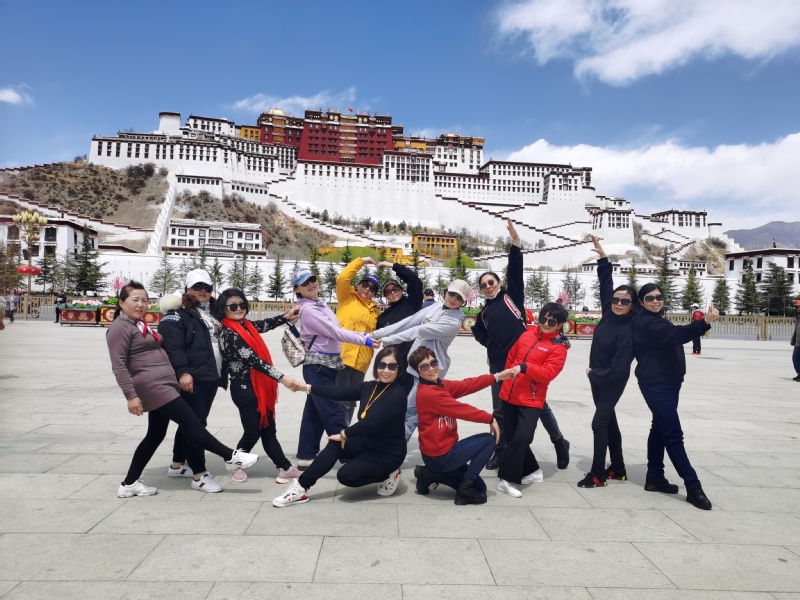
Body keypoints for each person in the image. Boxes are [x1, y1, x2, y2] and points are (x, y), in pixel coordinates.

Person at [106, 281, 259, 497]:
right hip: (153, 386)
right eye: (135, 300)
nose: (141, 304)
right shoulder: (119, 328)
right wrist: (131, 396)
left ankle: (130, 483)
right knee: (192, 423)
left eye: (144, 300)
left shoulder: (137, 324)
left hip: (163, 383)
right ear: (121, 302)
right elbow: (119, 365)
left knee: (155, 435)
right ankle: (229, 457)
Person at [471, 218, 571, 471]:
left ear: (498, 283)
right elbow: (478, 332)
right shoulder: (484, 312)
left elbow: (515, 273)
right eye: (483, 285)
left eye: (491, 282)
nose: (487, 287)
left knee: (539, 406)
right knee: (500, 408)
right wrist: (491, 344)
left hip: (525, 363)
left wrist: (515, 246)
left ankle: (559, 442)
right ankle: (501, 450)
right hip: (499, 365)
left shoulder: (510, 298)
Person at [273, 346, 410, 507]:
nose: (386, 370)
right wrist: (308, 388)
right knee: (336, 444)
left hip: (388, 452)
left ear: (399, 369)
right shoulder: (370, 387)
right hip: (367, 442)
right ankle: (301, 487)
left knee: (346, 476)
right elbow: (339, 392)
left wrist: (345, 434)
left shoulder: (397, 395)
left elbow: (371, 422)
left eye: (392, 366)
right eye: (382, 365)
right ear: (376, 366)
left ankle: (389, 473)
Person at [633, 283, 719, 510]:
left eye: (658, 297)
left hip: (670, 382)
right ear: (641, 302)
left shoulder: (656, 319)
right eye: (649, 298)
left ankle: (654, 477)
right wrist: (705, 322)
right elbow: (675, 335)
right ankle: (693, 486)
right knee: (673, 434)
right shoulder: (645, 322)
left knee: (659, 428)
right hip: (656, 384)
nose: (655, 301)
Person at [214, 287, 304, 483]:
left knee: (268, 428)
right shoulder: (228, 334)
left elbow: (264, 324)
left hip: (259, 387)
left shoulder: (246, 325)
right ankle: (235, 464)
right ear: (223, 309)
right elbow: (254, 360)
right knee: (253, 431)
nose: (239, 308)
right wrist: (282, 378)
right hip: (244, 389)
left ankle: (284, 468)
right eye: (233, 306)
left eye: (242, 304)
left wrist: (285, 317)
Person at [293, 267, 378, 468]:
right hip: (318, 367)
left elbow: (337, 329)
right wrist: (364, 339)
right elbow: (336, 332)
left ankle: (306, 455)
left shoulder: (319, 305)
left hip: (328, 365)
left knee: (314, 412)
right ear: (297, 289)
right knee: (334, 412)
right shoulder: (309, 310)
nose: (310, 284)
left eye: (312, 279)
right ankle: (350, 456)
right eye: (304, 283)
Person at [410, 346, 516, 505]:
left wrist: (497, 377)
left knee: (480, 488)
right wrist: (490, 418)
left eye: (433, 363)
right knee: (489, 441)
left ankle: (429, 473)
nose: (431, 368)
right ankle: (464, 490)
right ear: (418, 371)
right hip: (440, 456)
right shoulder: (429, 393)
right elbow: (462, 410)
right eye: (424, 367)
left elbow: (467, 385)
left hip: (441, 454)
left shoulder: (439, 385)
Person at [372, 279, 469, 441]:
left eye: (459, 298)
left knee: (411, 411)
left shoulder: (454, 321)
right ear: (446, 292)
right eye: (452, 293)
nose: (453, 299)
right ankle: (391, 443)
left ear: (463, 302)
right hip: (415, 365)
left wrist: (386, 340)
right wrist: (377, 334)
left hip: (429, 370)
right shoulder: (435, 307)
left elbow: (418, 330)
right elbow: (409, 322)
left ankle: (394, 449)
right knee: (406, 407)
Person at [158, 269, 227, 492]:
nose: (203, 291)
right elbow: (173, 347)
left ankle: (177, 465)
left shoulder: (209, 312)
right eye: (198, 287)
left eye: (207, 287)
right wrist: (183, 372)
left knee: (190, 422)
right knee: (196, 425)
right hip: (193, 377)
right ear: (187, 289)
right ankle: (199, 475)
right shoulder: (177, 314)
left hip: (210, 376)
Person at [579, 236, 637, 488]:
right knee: (609, 421)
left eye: (625, 301)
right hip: (598, 378)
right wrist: (604, 259)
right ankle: (619, 467)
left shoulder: (630, 329)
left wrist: (594, 374)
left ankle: (597, 474)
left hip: (611, 380)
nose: (618, 304)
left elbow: (620, 368)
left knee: (599, 423)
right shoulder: (608, 312)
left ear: (632, 305)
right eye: (616, 300)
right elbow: (606, 284)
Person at [496, 302, 571, 498]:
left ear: (560, 324)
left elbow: (548, 373)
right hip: (509, 393)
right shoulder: (526, 334)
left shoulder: (559, 348)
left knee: (523, 438)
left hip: (531, 399)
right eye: (543, 319)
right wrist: (508, 376)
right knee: (512, 438)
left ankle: (507, 479)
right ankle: (532, 471)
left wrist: (524, 368)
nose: (545, 323)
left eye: (551, 321)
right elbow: (512, 356)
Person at [336, 257, 381, 423]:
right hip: (342, 357)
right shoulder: (347, 297)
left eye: (372, 288)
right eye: (365, 284)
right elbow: (342, 278)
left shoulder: (375, 310)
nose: (367, 289)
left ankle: (345, 431)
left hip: (361, 361)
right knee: (340, 400)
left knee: (352, 401)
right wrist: (362, 261)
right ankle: (337, 431)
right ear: (359, 285)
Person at [375, 259, 424, 360]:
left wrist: (393, 266)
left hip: (414, 359)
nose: (393, 292)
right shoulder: (384, 317)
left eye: (395, 289)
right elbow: (375, 336)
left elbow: (414, 280)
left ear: (401, 290)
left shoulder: (411, 303)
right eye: (388, 291)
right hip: (393, 362)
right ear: (386, 296)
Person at [792, 300, 800, 382]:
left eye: (799, 307)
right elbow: (796, 330)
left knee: (796, 358)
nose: (798, 308)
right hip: (798, 342)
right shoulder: (798, 316)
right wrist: (793, 339)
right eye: (797, 307)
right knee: (795, 358)